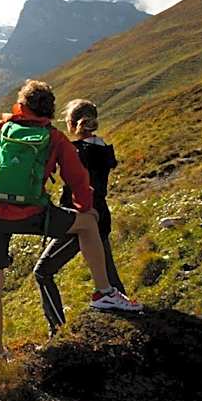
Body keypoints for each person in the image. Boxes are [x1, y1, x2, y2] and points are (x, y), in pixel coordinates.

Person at [0, 80, 141, 359]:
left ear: (21, 105)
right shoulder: (55, 138)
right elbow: (77, 179)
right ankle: (104, 293)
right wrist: (85, 208)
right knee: (88, 224)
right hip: (31, 213)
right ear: (49, 110)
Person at [33, 99, 133, 338]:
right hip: (101, 218)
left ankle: (57, 332)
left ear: (71, 123)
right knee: (108, 279)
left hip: (77, 221)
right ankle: (129, 323)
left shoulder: (75, 150)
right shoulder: (104, 148)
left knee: (43, 272)